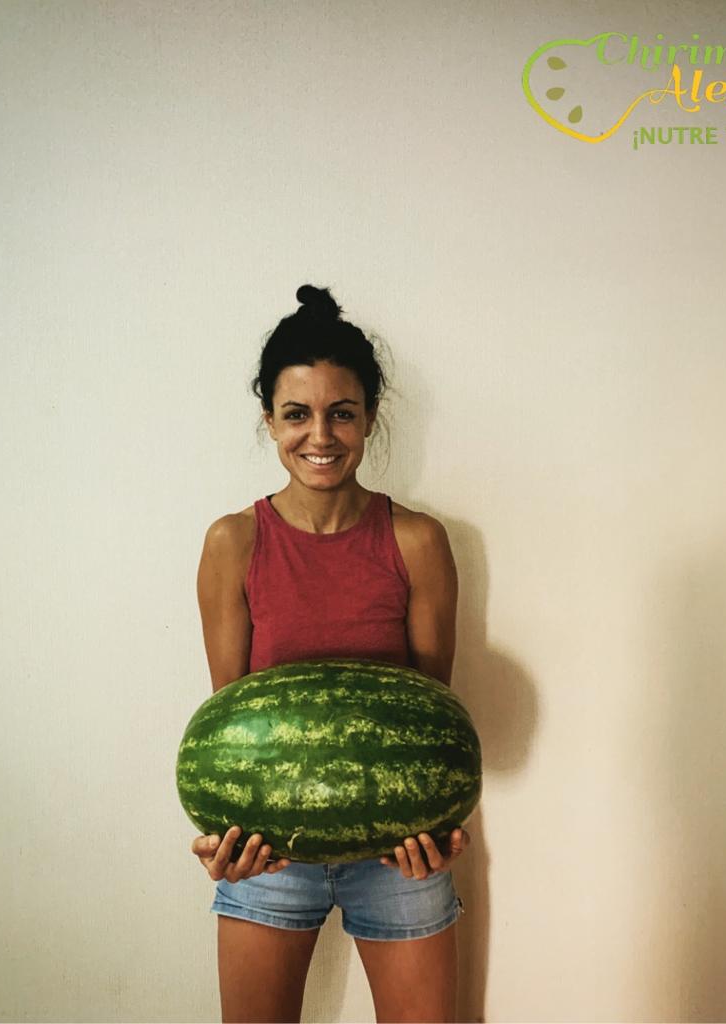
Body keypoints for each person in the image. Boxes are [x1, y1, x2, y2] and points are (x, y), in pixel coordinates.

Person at [191, 284, 472, 1023]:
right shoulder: (233, 543)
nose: (320, 434)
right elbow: (229, 727)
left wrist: (438, 826)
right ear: (269, 420)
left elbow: (434, 725)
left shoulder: (417, 541)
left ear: (369, 417)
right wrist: (225, 837)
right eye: (297, 414)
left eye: (342, 412)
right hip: (269, 855)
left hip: (398, 855)